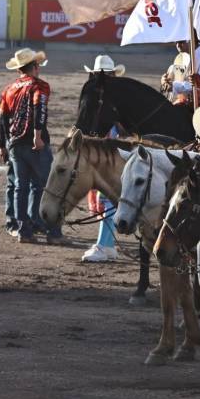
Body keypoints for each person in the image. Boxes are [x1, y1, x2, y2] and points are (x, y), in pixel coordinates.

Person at [0, 48, 68, 245]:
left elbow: (2, 118)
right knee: (46, 187)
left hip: (15, 144)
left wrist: (1, 144)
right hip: (35, 144)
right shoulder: (40, 86)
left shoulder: (9, 89)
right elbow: (39, 110)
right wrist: (37, 136)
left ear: (19, 69)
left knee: (21, 186)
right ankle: (52, 231)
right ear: (35, 67)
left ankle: (24, 231)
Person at [81, 55, 124, 263]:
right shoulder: (115, 97)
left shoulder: (97, 98)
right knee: (108, 200)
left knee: (107, 199)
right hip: (114, 153)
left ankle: (103, 245)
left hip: (109, 156)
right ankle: (106, 244)